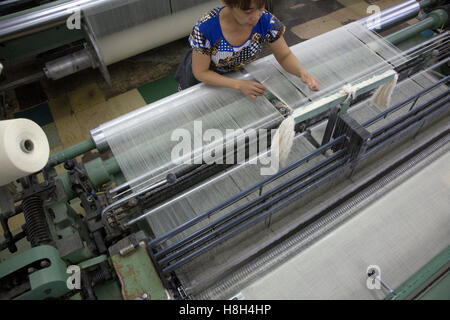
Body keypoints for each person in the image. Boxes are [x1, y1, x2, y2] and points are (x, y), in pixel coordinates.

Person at [175, 0, 320, 99]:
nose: (256, 16)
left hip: (235, 74)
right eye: (248, 11)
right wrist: (238, 85)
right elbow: (201, 72)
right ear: (227, 3)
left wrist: (302, 73)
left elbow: (284, 55)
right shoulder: (206, 28)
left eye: (261, 7)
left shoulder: (265, 21)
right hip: (202, 81)